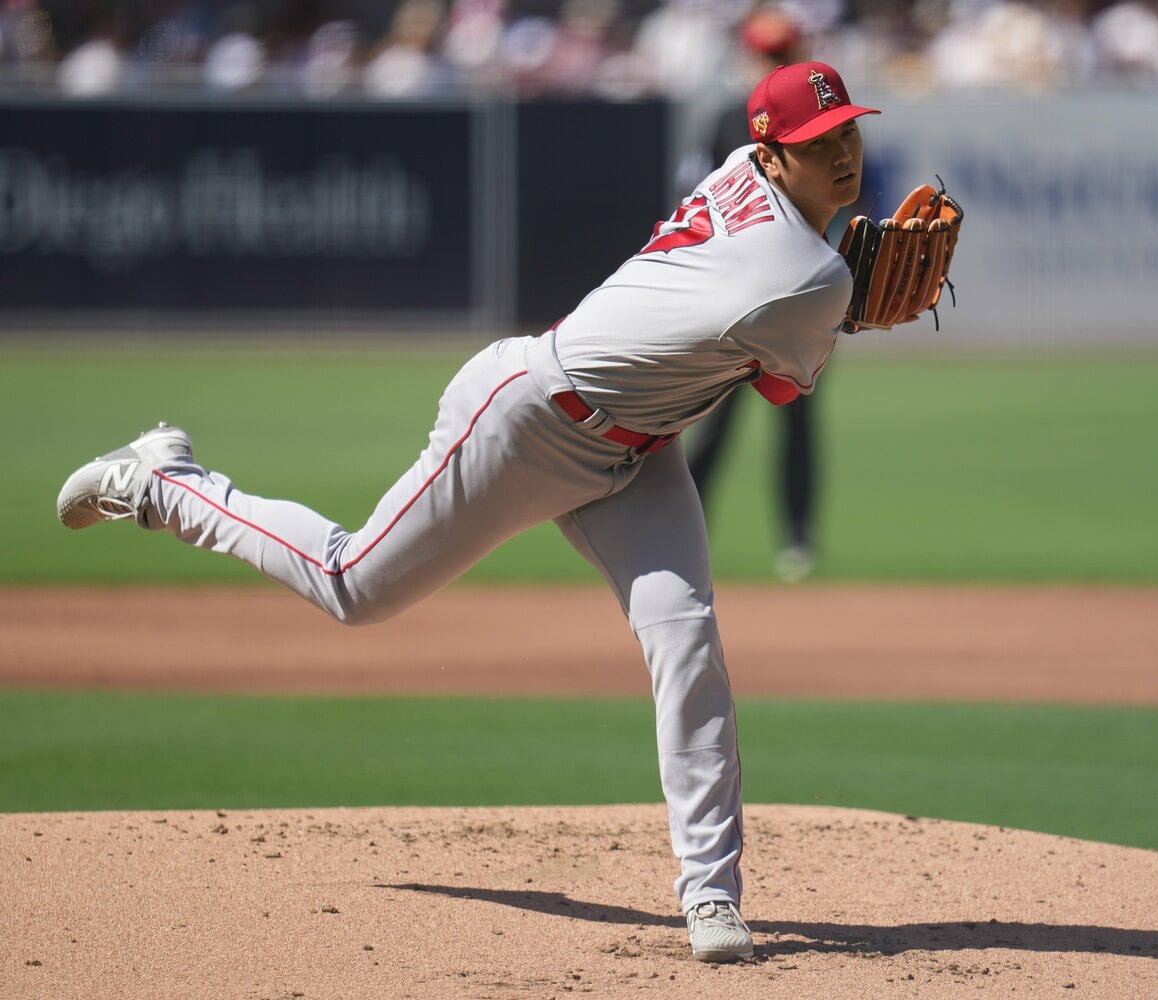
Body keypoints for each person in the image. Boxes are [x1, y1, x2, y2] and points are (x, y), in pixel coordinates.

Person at [56, 60, 878, 964]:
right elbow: (780, 388)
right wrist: (855, 307)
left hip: (638, 454)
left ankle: (711, 896)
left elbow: (770, 345)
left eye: (848, 134)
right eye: (817, 142)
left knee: (686, 641)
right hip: (524, 420)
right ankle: (165, 482)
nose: (843, 155)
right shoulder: (805, 277)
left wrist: (842, 299)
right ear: (770, 153)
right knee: (352, 585)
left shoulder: (747, 184)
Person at [685, 5, 820, 583]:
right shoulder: (721, 121)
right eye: (764, 55)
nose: (770, 64)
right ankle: (686, 535)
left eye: (780, 53)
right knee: (712, 421)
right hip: (728, 304)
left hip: (797, 301)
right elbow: (688, 209)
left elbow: (853, 205)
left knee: (798, 417)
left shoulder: (822, 125)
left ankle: (798, 538)